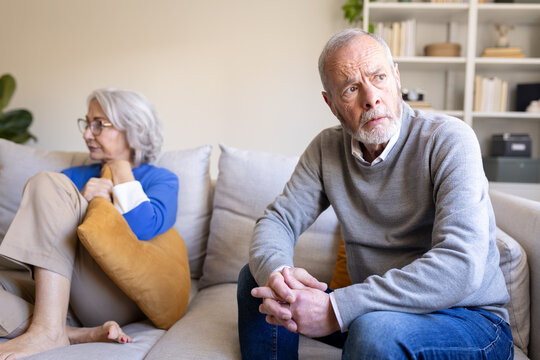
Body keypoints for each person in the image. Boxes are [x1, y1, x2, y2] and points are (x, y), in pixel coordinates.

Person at [237, 28, 514, 359]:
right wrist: (279, 274)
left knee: (374, 331)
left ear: (396, 77)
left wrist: (337, 307)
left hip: (468, 320)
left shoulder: (449, 140)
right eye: (351, 88)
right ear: (331, 104)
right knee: (257, 281)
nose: (371, 98)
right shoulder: (326, 149)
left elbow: (460, 266)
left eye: (379, 77)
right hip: (378, 308)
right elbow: (278, 219)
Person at [0, 88, 179, 359]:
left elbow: (144, 228)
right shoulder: (72, 176)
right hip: (57, 293)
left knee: (46, 181)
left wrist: (120, 169)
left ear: (132, 130)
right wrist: (82, 202)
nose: (86, 134)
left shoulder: (161, 179)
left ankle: (49, 331)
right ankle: (68, 332)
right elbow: (40, 245)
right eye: (87, 123)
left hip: (111, 294)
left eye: (99, 125)